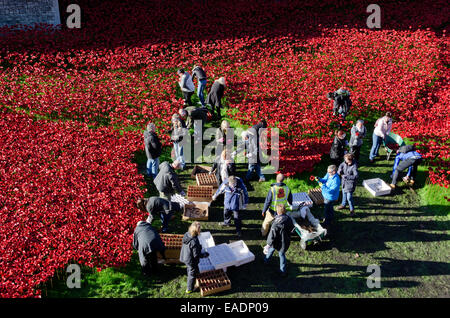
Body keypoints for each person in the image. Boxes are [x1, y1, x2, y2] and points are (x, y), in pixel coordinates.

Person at [263, 204, 294, 277]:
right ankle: (282, 271)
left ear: (278, 212)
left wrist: (268, 244)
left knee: (271, 249)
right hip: (285, 241)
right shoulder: (288, 218)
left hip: (276, 241)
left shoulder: (275, 223)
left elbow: (272, 236)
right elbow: (292, 229)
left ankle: (266, 260)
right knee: (282, 255)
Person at [179, 221, 209, 294]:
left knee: (189, 269)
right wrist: (204, 255)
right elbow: (196, 255)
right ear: (197, 231)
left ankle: (191, 274)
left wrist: (199, 247)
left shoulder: (187, 234)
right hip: (191, 260)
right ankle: (189, 289)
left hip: (185, 255)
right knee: (192, 274)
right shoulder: (194, 241)